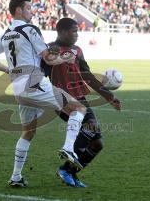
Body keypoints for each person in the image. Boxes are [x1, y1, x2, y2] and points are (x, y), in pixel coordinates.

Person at [0, 0, 88, 187]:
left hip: (18, 88)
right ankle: (68, 148)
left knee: (28, 132)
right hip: (34, 83)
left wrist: (8, 70)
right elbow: (48, 59)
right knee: (78, 108)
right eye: (29, 8)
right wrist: (66, 58)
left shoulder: (6, 34)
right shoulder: (30, 29)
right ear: (19, 11)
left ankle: (16, 177)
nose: (32, 12)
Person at [41, 18, 121, 187]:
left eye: (77, 31)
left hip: (80, 98)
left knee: (97, 144)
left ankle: (69, 171)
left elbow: (88, 76)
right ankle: (67, 163)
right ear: (62, 31)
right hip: (62, 99)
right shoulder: (50, 49)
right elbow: (41, 73)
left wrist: (109, 97)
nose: (77, 35)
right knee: (90, 125)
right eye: (74, 31)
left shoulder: (77, 50)